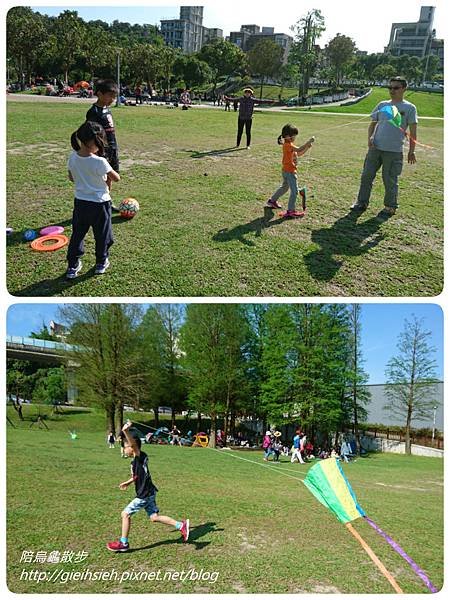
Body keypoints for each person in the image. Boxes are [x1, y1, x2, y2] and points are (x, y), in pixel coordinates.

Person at [107, 421, 189, 552]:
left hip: (144, 494)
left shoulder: (139, 456)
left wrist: (125, 431)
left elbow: (133, 445)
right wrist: (128, 482)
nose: (124, 449)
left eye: (125, 446)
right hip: (150, 492)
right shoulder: (136, 462)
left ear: (132, 447)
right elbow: (136, 476)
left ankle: (123, 543)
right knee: (154, 517)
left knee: (125, 514)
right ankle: (181, 525)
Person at [352, 76, 418, 216]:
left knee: (390, 180)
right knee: (366, 176)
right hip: (375, 149)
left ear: (404, 89)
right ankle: (361, 202)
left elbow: (413, 132)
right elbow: (372, 124)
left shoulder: (410, 108)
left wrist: (411, 151)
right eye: (390, 87)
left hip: (394, 151)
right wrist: (370, 138)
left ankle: (390, 206)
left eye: (396, 88)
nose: (392, 90)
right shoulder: (382, 105)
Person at [66, 121, 120, 278]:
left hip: (81, 203)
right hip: (100, 204)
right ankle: (101, 262)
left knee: (78, 234)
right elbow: (116, 178)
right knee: (102, 235)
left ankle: (72, 266)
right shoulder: (100, 161)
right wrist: (107, 170)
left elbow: (71, 178)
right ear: (96, 141)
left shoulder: (72, 157)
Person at [85, 79, 121, 212]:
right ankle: (98, 201)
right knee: (102, 176)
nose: (112, 99)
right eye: (110, 95)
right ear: (99, 94)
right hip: (101, 149)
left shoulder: (107, 109)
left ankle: (107, 201)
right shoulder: (93, 112)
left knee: (110, 176)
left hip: (112, 148)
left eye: (114, 96)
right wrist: (94, 151)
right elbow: (91, 132)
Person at [266, 123, 315, 218]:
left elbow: (299, 153)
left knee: (284, 187)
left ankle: (272, 201)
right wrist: (308, 142)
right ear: (288, 136)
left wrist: (307, 148)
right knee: (294, 192)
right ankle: (291, 211)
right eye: (294, 136)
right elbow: (299, 148)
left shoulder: (289, 145)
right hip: (290, 172)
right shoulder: (287, 145)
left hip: (286, 171)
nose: (295, 138)